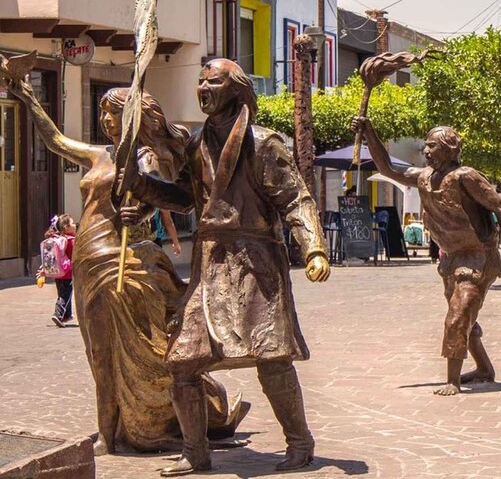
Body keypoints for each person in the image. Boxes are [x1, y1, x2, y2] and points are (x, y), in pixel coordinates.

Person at [0, 54, 245, 457]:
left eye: (112, 112)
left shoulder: (144, 157)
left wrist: (142, 208)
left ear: (130, 119)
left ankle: (158, 421)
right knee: (97, 351)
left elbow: (174, 197)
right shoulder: (98, 156)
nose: (106, 120)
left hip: (121, 259)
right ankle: (109, 431)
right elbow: (56, 142)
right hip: (87, 261)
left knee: (140, 350)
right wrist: (28, 98)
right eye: (102, 113)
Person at [126, 59, 330, 476]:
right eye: (200, 81)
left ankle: (299, 442)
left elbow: (295, 199)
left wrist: (313, 248)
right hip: (210, 263)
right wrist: (142, 186)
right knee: (182, 360)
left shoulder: (264, 142)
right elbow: (186, 198)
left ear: (235, 90)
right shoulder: (196, 144)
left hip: (255, 261)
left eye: (213, 82)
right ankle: (195, 451)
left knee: (271, 356)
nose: (203, 88)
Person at [351, 116, 501, 397]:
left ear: (450, 150)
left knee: (457, 317)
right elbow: (387, 168)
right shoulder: (423, 177)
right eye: (426, 147)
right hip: (450, 259)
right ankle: (484, 369)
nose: (426, 152)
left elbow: (499, 207)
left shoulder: (466, 177)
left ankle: (452, 380)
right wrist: (369, 133)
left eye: (432, 147)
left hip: (478, 258)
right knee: (465, 316)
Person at [39, 214, 76, 328]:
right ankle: (58, 314)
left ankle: (66, 315)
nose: (75, 225)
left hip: (57, 273)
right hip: (67, 272)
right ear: (66, 227)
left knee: (63, 293)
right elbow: (74, 257)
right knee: (65, 294)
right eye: (72, 223)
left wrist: (44, 270)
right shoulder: (70, 241)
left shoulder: (56, 240)